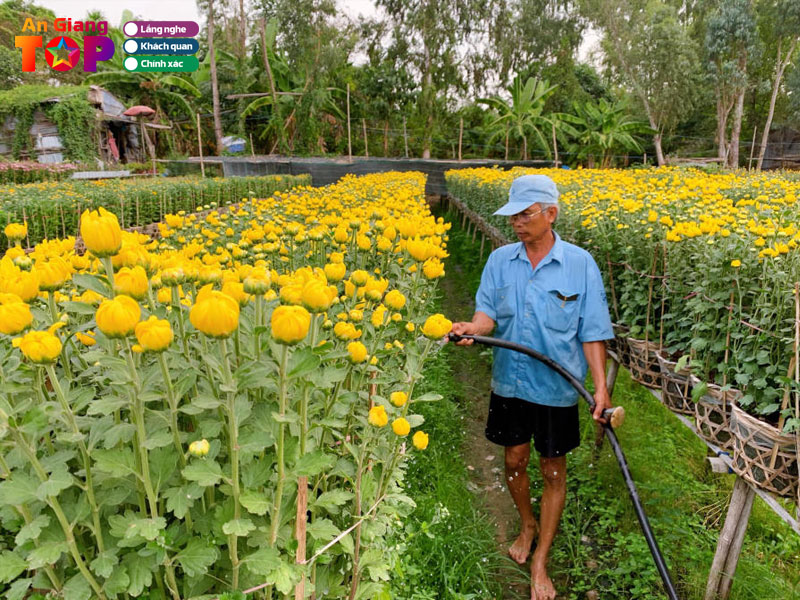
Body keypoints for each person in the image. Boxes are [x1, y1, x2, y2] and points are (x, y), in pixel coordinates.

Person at [449, 174, 614, 600]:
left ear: (550, 214)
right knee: (514, 461)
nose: (517, 223)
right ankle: (527, 522)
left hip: (557, 388)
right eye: (513, 216)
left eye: (525, 214)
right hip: (510, 381)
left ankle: (541, 557)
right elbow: (487, 313)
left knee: (552, 469)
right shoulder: (501, 261)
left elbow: (593, 333)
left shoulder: (580, 264)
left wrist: (601, 390)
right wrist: (473, 327)